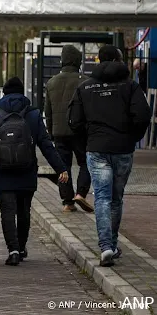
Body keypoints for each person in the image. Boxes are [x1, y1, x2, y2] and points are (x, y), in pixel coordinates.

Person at [69, 45, 151, 267]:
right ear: (118, 59)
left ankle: (106, 246)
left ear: (98, 61)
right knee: (116, 198)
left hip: (97, 148)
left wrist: (88, 140)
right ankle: (112, 245)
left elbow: (74, 122)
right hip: (123, 148)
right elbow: (143, 115)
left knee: (102, 197)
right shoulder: (130, 87)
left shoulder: (85, 88)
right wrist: (132, 137)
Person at [0, 77, 69, 266]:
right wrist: (60, 168)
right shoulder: (34, 114)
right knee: (24, 210)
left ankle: (12, 250)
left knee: (7, 210)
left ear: (4, 92)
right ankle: (21, 247)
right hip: (27, 170)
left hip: (2, 171)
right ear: (22, 93)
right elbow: (46, 144)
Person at [45, 45, 92, 213]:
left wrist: (51, 131)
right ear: (78, 61)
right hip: (80, 132)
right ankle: (81, 193)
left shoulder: (51, 82)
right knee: (86, 162)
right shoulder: (85, 81)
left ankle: (67, 201)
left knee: (63, 166)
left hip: (59, 133)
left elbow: (48, 112)